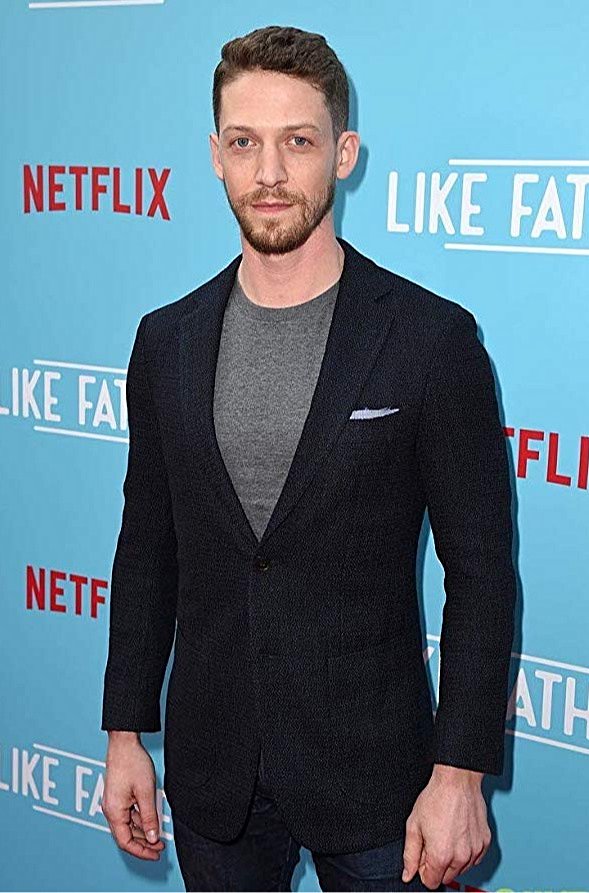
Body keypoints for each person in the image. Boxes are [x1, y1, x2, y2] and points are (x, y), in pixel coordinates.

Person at [100, 24, 516, 893]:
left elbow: (480, 572)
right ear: (215, 156)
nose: (269, 173)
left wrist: (460, 774)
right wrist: (124, 733)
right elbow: (146, 549)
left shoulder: (430, 340)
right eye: (243, 142)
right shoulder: (165, 342)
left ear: (343, 153)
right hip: (213, 776)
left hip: (381, 783)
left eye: (297, 141)